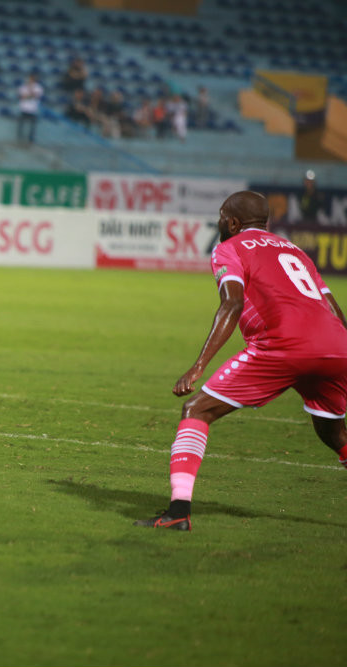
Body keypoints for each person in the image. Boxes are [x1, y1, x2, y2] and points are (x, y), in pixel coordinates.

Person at [135, 191, 347, 531]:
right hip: (337, 346)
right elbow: (334, 309)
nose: (219, 222)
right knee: (333, 433)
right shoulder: (294, 250)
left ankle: (178, 512)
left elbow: (232, 303)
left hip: (283, 344)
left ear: (233, 223)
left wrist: (199, 365)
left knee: (196, 410)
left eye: (222, 216)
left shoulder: (229, 248)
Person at [16, 73, 43, 144]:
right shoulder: (23, 87)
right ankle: (19, 138)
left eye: (32, 79)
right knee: (20, 124)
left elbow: (36, 96)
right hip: (24, 108)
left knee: (32, 126)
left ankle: (31, 139)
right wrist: (30, 95)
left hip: (33, 109)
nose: (30, 80)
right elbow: (21, 96)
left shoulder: (38, 87)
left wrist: (29, 93)